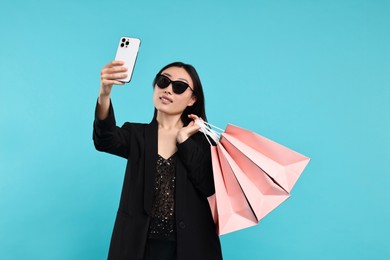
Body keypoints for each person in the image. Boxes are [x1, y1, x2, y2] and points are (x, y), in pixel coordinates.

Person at [93, 60, 223, 260]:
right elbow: (104, 140)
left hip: (191, 246)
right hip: (138, 246)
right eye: (163, 82)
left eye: (179, 87)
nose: (168, 90)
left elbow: (208, 187)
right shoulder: (136, 134)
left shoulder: (204, 141)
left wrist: (184, 140)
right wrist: (105, 93)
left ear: (192, 99)